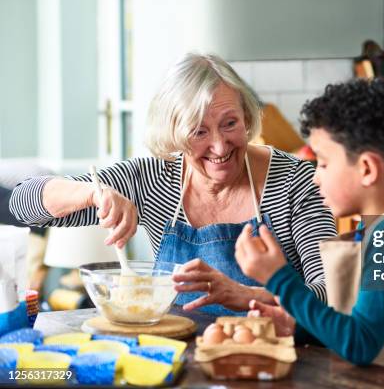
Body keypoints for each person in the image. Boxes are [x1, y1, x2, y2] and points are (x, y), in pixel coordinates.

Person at [10, 53, 336, 316]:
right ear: (174, 134)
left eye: (230, 124)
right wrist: (93, 193)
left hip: (276, 359)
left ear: (247, 119)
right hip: (178, 358)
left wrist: (245, 295)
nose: (220, 147)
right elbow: (23, 204)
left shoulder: (294, 181)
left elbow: (333, 292)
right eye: (199, 131)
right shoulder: (154, 179)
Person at [236, 78, 384, 382]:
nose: (315, 178)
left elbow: (360, 344)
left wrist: (279, 279)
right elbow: (360, 325)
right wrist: (295, 325)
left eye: (323, 164)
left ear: (367, 169)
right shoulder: (375, 229)